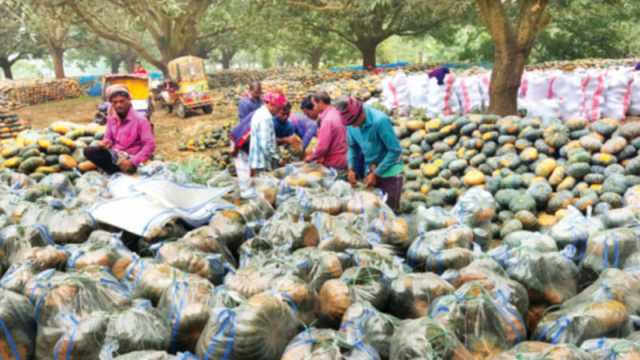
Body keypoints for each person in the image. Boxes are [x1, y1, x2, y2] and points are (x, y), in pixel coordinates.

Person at [337, 96, 404, 211]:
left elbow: (395, 150)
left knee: (389, 212)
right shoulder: (351, 124)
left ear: (361, 112)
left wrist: (376, 173)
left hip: (390, 171)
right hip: (371, 169)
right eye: (349, 124)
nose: (353, 126)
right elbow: (352, 147)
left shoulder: (380, 121)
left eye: (354, 122)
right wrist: (351, 168)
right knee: (372, 210)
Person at [84, 85, 155, 175]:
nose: (118, 105)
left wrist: (133, 161)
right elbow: (108, 138)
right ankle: (116, 171)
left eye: (122, 101)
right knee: (89, 151)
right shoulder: (111, 119)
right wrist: (105, 143)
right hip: (117, 155)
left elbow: (150, 145)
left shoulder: (141, 120)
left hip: (133, 156)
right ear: (111, 104)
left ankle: (125, 170)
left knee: (129, 166)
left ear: (129, 101)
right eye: (115, 102)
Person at [305, 91, 348, 172]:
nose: (313, 108)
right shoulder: (336, 112)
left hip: (334, 162)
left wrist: (311, 158)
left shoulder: (327, 120)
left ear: (320, 102)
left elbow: (323, 147)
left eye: (314, 104)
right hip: (344, 158)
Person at [248, 91, 286, 175]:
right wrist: (279, 159)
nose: (279, 111)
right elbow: (265, 144)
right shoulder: (265, 118)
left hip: (258, 161)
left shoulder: (260, 112)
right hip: (261, 163)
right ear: (271, 104)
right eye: (278, 108)